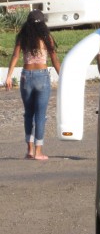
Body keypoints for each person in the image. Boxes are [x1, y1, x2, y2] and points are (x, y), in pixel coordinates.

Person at [4, 10, 61, 160]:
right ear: (42, 23)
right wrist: (62, 76)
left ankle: (29, 150)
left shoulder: (23, 37)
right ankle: (39, 151)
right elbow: (54, 59)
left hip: (26, 77)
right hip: (42, 76)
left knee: (28, 114)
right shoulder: (46, 37)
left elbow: (15, 56)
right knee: (40, 116)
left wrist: (9, 76)